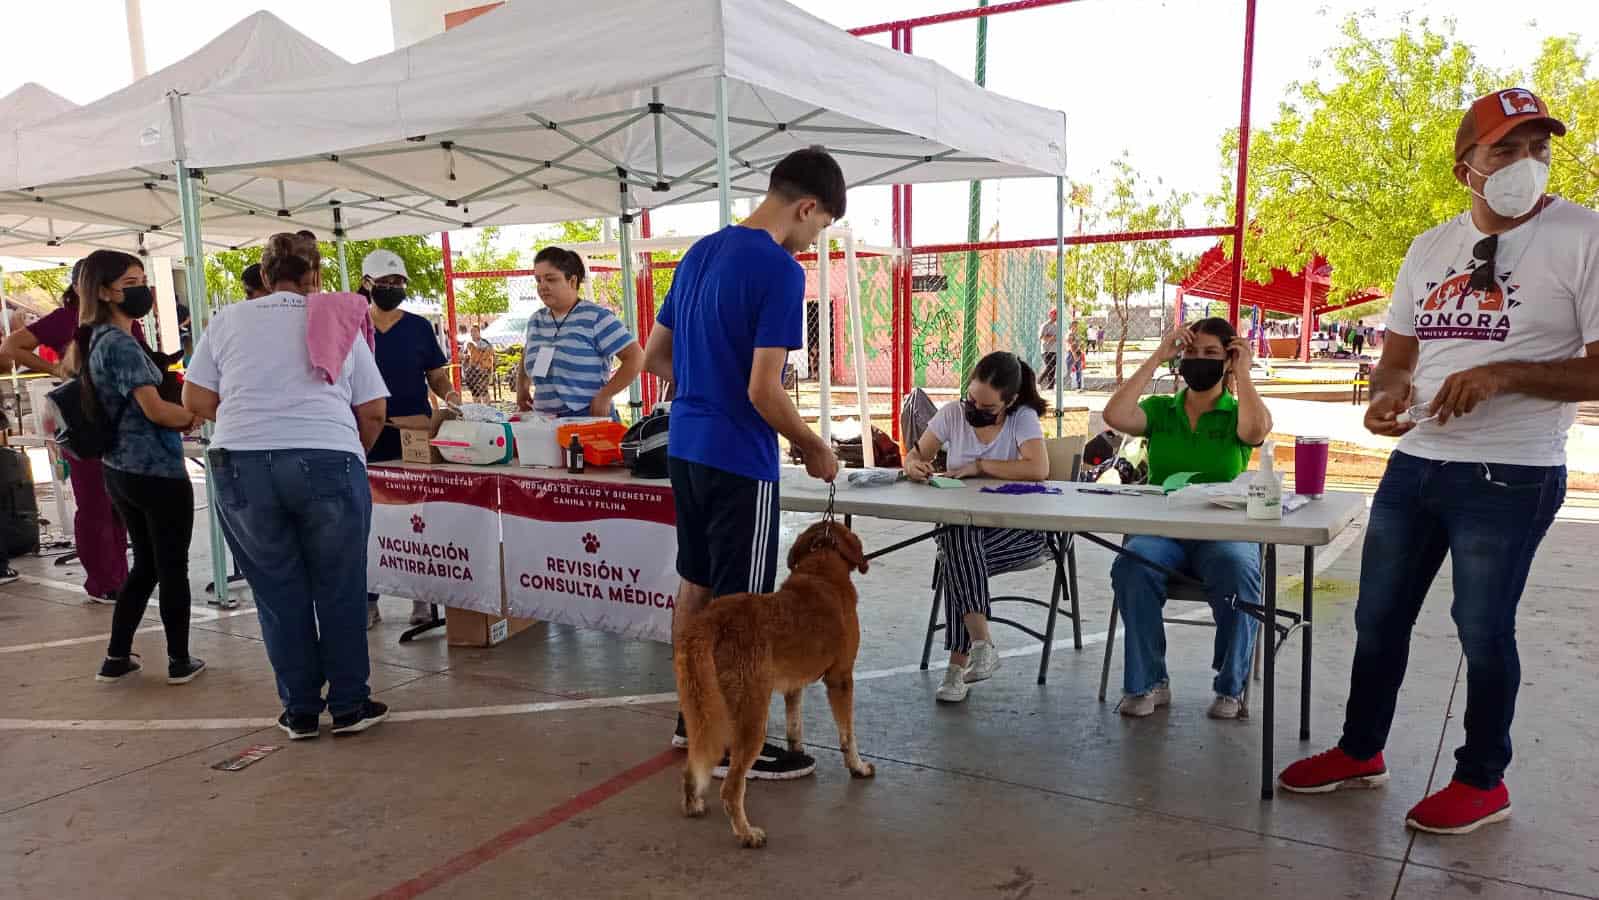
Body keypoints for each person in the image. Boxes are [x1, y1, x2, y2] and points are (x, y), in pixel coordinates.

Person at [1279, 89, 1593, 835]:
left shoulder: (1582, 237)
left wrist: (1504, 373)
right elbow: (1397, 358)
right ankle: (1361, 751)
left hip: (1510, 474)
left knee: (1481, 628)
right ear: (1467, 170)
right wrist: (1384, 400)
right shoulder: (1429, 247)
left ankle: (1482, 780)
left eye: (1538, 149)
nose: (1527, 164)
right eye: (1505, 150)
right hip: (1415, 465)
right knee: (1377, 617)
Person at [643, 146, 843, 779]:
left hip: (686, 446)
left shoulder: (701, 252)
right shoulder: (781, 272)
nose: (814, 241)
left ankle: (693, 718)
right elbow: (764, 389)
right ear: (806, 207)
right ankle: (735, 744)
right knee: (745, 605)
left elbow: (655, 358)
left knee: (695, 585)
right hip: (738, 456)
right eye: (821, 228)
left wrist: (706, 385)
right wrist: (814, 448)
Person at [184, 232, 391, 739]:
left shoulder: (227, 319)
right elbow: (374, 410)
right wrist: (345, 444)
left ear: (263, 274)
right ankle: (348, 704)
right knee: (340, 587)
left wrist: (247, 418)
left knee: (278, 592)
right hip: (327, 458)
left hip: (241, 463)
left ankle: (299, 709)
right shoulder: (340, 316)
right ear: (315, 275)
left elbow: (194, 397)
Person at [1101, 317, 1272, 720]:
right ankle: (1148, 682)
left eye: (1211, 353)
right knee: (1132, 567)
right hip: (1166, 528)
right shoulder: (1162, 411)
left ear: (1228, 359)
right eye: (1191, 352)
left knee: (1238, 569)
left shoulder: (1236, 412)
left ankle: (1231, 687)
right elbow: (1115, 414)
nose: (1199, 361)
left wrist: (1242, 373)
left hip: (1223, 530)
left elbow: (1255, 431)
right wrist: (1158, 356)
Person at [69, 250, 206, 686]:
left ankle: (116, 656)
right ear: (107, 291)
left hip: (120, 469)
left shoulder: (94, 339)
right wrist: (190, 415)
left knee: (145, 564)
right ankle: (180, 659)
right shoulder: (120, 344)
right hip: (155, 471)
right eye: (132, 281)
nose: (142, 289)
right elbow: (154, 410)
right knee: (171, 567)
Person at [902, 351, 1050, 703]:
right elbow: (916, 454)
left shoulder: (1022, 418)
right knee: (958, 543)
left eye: (985, 408)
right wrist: (912, 466)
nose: (973, 410)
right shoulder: (952, 414)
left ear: (1009, 401)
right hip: (965, 531)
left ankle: (957, 667)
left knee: (956, 556)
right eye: (970, 399)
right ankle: (980, 647)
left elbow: (1038, 469)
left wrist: (981, 466)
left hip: (1020, 533)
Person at [0, 262, 130, 603]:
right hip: (84, 416)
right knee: (93, 501)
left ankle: (121, 573)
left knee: (120, 502)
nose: (130, 289)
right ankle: (103, 580)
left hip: (123, 417)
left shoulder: (119, 316)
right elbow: (11, 347)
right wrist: (58, 368)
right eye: (125, 281)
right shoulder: (65, 318)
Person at [361, 249, 457, 628]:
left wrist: (449, 399)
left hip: (413, 434)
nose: (391, 290)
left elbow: (436, 375)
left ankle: (424, 598)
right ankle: (369, 598)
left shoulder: (418, 328)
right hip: (368, 435)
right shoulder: (354, 328)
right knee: (367, 521)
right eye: (384, 284)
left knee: (418, 519)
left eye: (398, 284)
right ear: (367, 285)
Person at [515, 247, 644, 420]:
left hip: (590, 418)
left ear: (572, 281)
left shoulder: (597, 317)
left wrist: (605, 395)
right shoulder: (536, 321)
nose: (542, 286)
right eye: (538, 280)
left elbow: (636, 357)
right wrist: (522, 389)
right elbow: (527, 354)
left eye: (551, 279)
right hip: (544, 421)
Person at [463, 324, 496, 402]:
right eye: (471, 331)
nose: (473, 333)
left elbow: (491, 351)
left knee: (483, 390)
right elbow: (461, 354)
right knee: (475, 392)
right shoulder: (467, 343)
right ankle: (478, 409)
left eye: (475, 331)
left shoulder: (484, 342)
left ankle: (487, 409)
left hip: (483, 370)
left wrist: (479, 356)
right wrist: (466, 356)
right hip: (471, 370)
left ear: (479, 332)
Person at [1037, 309, 1059, 390]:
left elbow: (1057, 338)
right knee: (1049, 367)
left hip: (1054, 350)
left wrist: (1052, 337)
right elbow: (1042, 337)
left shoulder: (1056, 326)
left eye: (1057, 314)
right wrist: (1052, 337)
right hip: (1046, 350)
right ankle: (1038, 381)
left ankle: (1051, 387)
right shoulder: (1045, 325)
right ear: (1050, 315)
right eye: (1054, 314)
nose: (1056, 316)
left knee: (1053, 368)